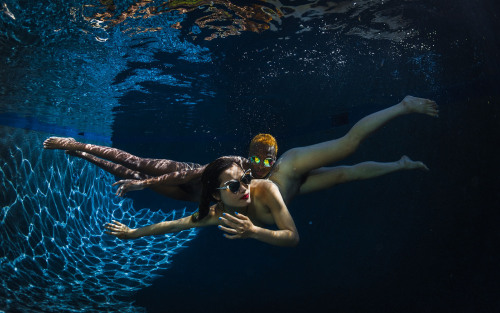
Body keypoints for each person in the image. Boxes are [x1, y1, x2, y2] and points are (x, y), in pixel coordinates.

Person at [43, 95, 437, 203]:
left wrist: (397, 165)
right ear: (249, 157)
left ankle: (81, 155)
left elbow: (350, 162)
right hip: (189, 177)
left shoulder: (290, 171)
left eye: (269, 158)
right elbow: (185, 175)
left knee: (125, 175)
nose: (263, 165)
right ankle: (79, 146)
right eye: (258, 158)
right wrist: (147, 186)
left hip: (193, 200)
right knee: (133, 165)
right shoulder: (236, 167)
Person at [104, 156, 300, 247]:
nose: (244, 189)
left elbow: (293, 237)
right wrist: (131, 233)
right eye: (233, 186)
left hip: (288, 179)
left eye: (246, 179)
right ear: (216, 195)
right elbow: (174, 226)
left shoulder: (266, 189)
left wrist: (253, 231)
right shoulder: (216, 213)